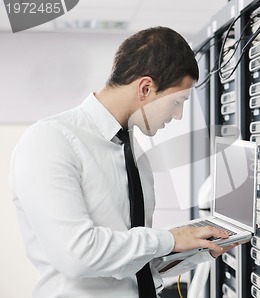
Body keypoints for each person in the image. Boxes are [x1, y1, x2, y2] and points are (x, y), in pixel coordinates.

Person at [10, 26, 238, 298]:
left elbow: (130, 263)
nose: (178, 115)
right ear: (146, 88)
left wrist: (196, 248)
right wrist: (169, 238)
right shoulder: (50, 140)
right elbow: (77, 254)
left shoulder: (131, 151)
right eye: (177, 101)